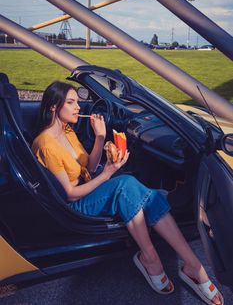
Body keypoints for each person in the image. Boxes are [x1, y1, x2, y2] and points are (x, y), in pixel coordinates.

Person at [32, 81, 223, 305]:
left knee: (147, 195)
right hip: (76, 203)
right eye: (71, 102)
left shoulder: (67, 131)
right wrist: (109, 173)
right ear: (54, 107)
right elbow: (70, 194)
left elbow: (91, 168)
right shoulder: (46, 145)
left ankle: (193, 266)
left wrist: (100, 137)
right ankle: (151, 258)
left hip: (88, 187)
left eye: (78, 101)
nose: (78, 107)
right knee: (126, 184)